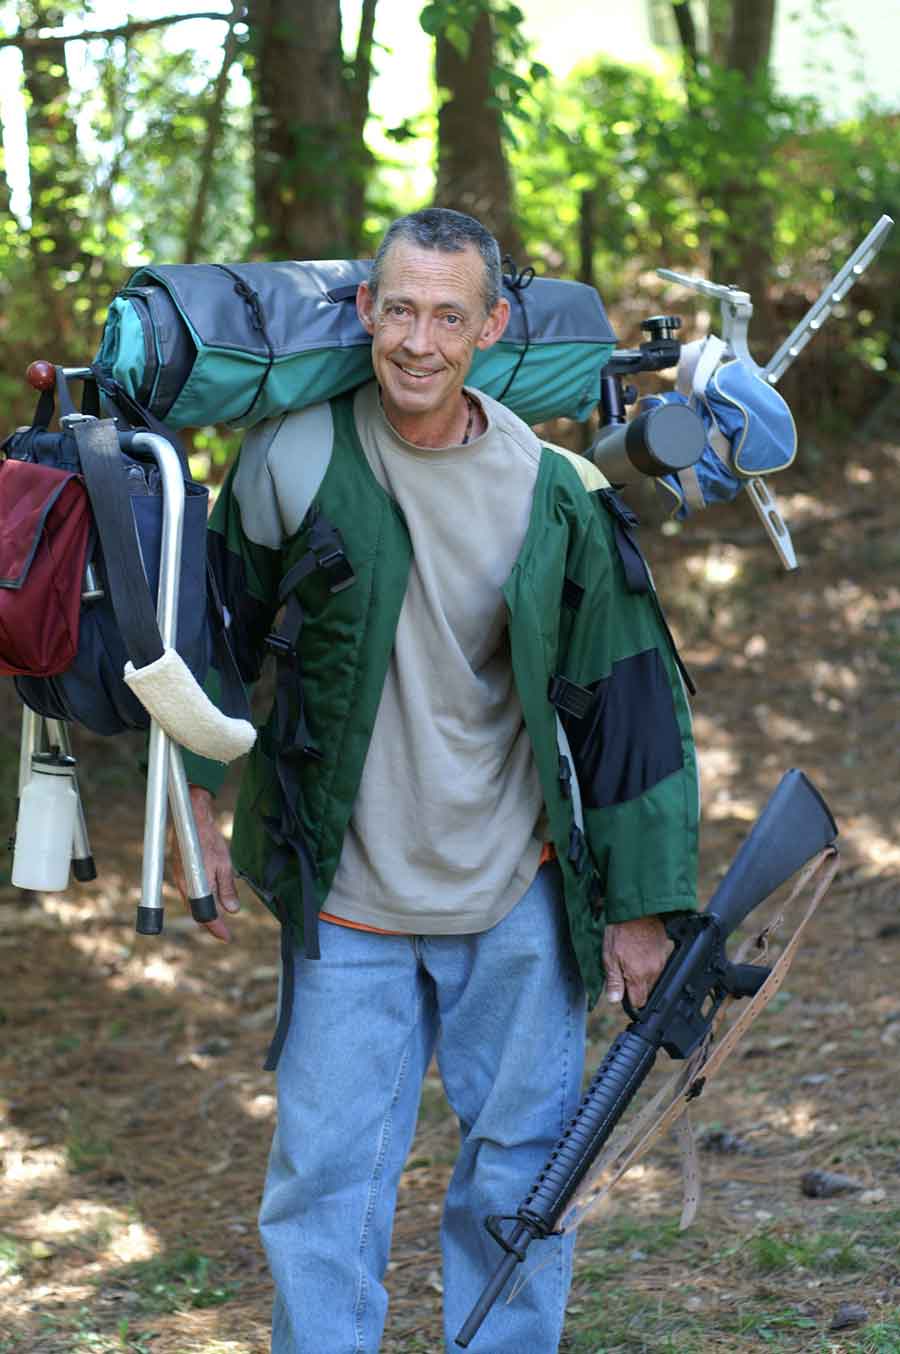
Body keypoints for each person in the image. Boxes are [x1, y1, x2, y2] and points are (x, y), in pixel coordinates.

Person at [174, 207, 699, 1353]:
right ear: (364, 310)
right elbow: (209, 636)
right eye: (398, 309)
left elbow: (631, 706)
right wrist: (196, 804)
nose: (418, 340)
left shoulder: (551, 488)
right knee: (322, 1190)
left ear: (490, 325)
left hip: (514, 896)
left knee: (522, 1183)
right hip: (349, 901)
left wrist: (646, 906)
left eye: (447, 315)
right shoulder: (293, 457)